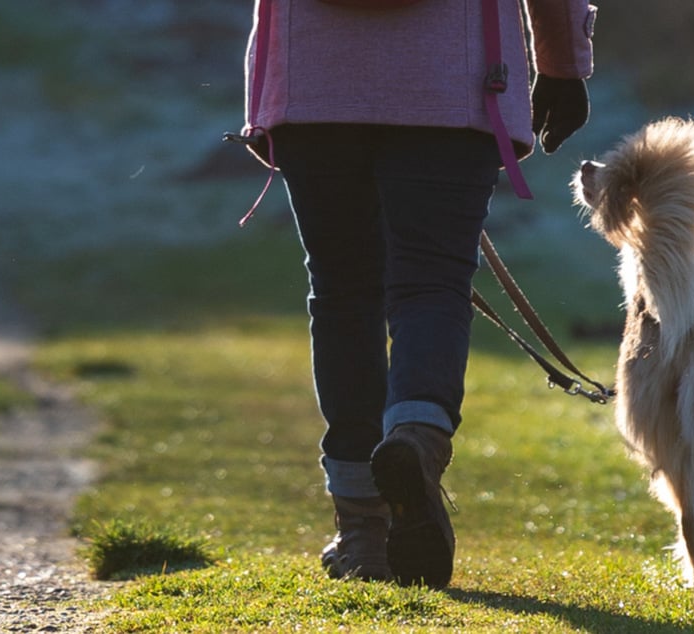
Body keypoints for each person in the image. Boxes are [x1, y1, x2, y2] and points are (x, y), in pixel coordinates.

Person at [233, 0, 596, 588]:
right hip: (455, 82)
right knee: (432, 282)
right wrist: (561, 64)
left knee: (344, 292)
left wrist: (267, 95)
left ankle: (362, 530)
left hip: (314, 86)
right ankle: (417, 441)